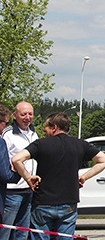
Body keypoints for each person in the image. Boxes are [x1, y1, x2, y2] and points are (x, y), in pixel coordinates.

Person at [11, 112, 105, 240]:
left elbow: (16, 159)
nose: (44, 131)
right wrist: (84, 177)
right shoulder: (80, 144)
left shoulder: (40, 144)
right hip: (68, 202)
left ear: (54, 127)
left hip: (43, 202)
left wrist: (28, 177)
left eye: (46, 128)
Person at [1, 102, 38, 240]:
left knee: (22, 232)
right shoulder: (8, 133)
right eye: (23, 114)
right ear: (15, 115)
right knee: (6, 230)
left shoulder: (34, 133)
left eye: (30, 114)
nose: (27, 117)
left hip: (29, 190)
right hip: (12, 191)